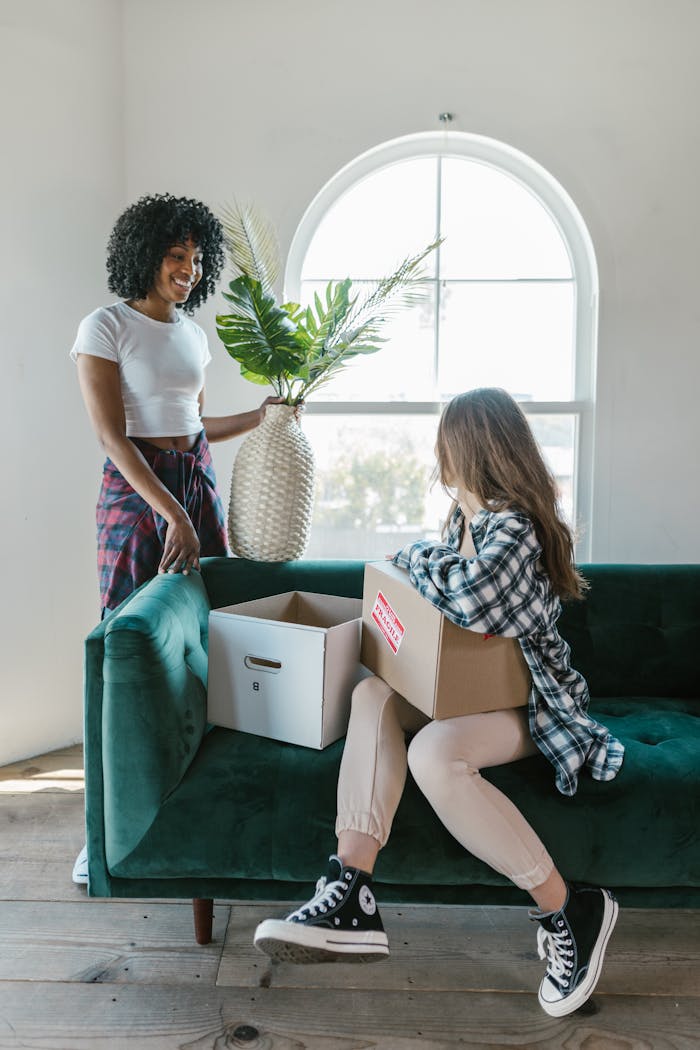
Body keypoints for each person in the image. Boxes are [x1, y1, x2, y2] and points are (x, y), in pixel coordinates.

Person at [253, 387, 625, 1018]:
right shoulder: (464, 525)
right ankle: (350, 889)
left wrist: (418, 558)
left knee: (433, 753)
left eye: (444, 447)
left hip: (530, 705)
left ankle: (570, 909)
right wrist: (428, 560)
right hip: (466, 696)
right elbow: (436, 599)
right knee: (371, 692)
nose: (437, 462)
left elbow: (471, 598)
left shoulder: (517, 528)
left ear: (470, 452)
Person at [70, 192, 281, 881]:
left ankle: (190, 791)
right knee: (125, 640)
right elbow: (112, 434)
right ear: (145, 252)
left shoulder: (193, 333)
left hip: (195, 480)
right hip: (139, 493)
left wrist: (258, 416)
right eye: (174, 256)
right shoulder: (105, 326)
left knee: (207, 627)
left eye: (195, 260)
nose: (186, 271)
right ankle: (102, 827)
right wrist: (170, 513)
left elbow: (191, 424)